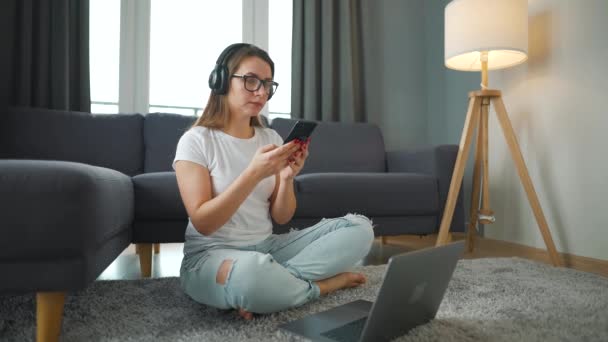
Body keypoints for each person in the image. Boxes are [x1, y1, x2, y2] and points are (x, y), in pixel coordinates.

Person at [173, 43, 374, 320]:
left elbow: (281, 216)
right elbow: (203, 223)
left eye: (267, 84)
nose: (261, 92)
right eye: (251, 81)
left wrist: (287, 177)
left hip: (268, 247)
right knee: (250, 275)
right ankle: (319, 286)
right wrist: (253, 173)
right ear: (221, 80)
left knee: (360, 229)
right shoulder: (196, 141)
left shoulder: (270, 139)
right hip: (210, 255)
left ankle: (271, 287)